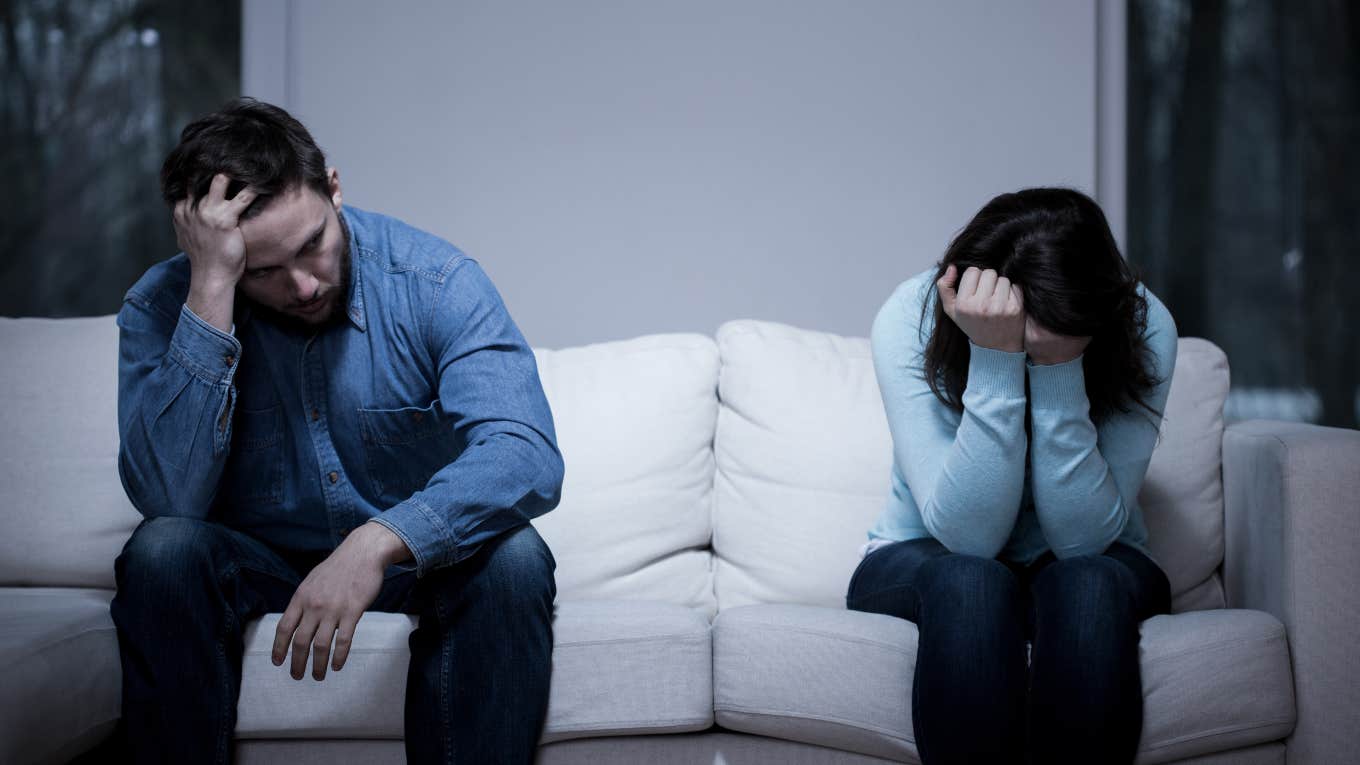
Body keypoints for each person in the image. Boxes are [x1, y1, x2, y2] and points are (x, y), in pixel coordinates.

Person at [110, 97, 564, 764]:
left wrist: (379, 539)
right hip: (258, 561)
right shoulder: (161, 305)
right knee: (163, 550)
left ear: (334, 188)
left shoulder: (435, 283)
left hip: (416, 562)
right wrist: (211, 290)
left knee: (515, 558)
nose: (300, 285)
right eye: (260, 270)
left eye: (312, 244)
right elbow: (169, 499)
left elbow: (525, 454)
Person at [846, 187, 1177, 764]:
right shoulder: (911, 314)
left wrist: (1059, 364)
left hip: (1094, 555)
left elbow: (1082, 542)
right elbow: (969, 540)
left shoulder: (1142, 325)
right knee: (972, 580)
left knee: (1089, 581)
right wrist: (995, 358)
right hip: (925, 551)